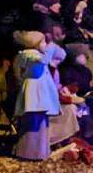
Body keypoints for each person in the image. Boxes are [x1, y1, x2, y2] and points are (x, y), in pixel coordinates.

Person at [11, 31, 63, 161]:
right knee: (33, 123)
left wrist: (52, 46)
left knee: (40, 123)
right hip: (34, 93)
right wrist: (51, 47)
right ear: (35, 44)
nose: (46, 44)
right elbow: (43, 61)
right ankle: (29, 153)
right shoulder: (29, 55)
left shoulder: (36, 54)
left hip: (39, 93)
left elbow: (61, 55)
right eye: (43, 42)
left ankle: (40, 152)